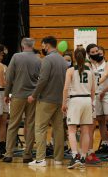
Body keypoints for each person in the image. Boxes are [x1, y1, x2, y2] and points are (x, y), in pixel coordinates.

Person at [28, 36, 68, 167]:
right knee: (58, 129)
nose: (42, 48)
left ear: (47, 45)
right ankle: (58, 159)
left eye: (43, 45)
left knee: (40, 128)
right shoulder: (63, 60)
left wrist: (34, 95)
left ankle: (40, 159)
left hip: (46, 99)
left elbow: (43, 80)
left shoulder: (47, 59)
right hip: (59, 100)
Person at [2, 38, 42, 163]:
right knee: (30, 125)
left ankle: (9, 154)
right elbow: (42, 78)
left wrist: (6, 93)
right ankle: (27, 154)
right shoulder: (38, 59)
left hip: (18, 95)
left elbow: (9, 76)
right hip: (32, 96)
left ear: (22, 45)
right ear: (33, 45)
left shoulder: (16, 57)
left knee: (13, 124)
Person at [62, 48, 95, 169]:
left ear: (74, 57)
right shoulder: (90, 70)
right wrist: (91, 102)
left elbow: (65, 88)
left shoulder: (70, 70)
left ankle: (75, 156)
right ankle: (83, 157)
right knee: (85, 130)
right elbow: (93, 90)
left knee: (71, 130)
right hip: (87, 100)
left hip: (75, 100)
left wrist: (63, 103)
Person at [84, 44, 101, 164]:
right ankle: (87, 153)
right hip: (89, 98)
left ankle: (89, 151)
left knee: (92, 127)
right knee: (88, 128)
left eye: (97, 51)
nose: (96, 53)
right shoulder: (87, 64)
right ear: (88, 53)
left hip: (95, 97)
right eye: (93, 52)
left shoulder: (95, 64)